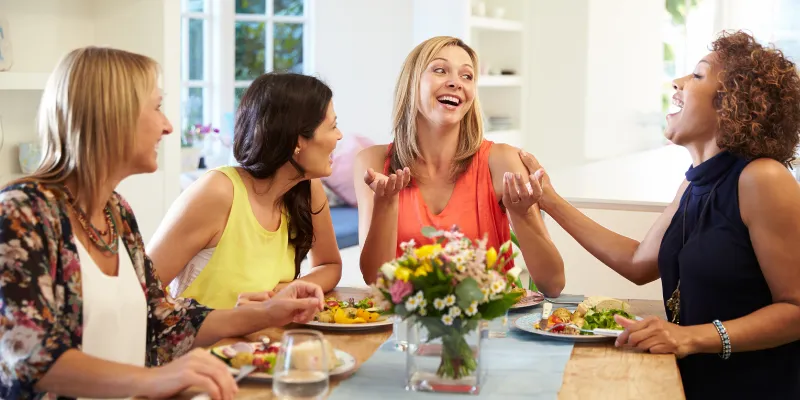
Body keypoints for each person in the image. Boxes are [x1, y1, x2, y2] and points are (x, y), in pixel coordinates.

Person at [0, 46, 325, 400]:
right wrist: (155, 380)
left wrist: (266, 312)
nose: (168, 126)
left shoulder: (116, 213)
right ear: (113, 115)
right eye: (156, 108)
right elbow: (30, 358)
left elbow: (164, 320)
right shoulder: (22, 213)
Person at [518, 30, 800, 398]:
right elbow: (638, 262)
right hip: (691, 381)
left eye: (697, 76)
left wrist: (690, 337)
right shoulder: (692, 185)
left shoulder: (762, 178)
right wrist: (549, 200)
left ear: (732, 104)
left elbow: (795, 308)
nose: (678, 82)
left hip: (754, 387)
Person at [354, 36, 565, 297]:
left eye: (467, 76)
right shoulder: (373, 163)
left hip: (491, 328)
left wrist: (523, 216)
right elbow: (375, 280)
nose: (455, 83)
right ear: (411, 83)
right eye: (440, 70)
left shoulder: (502, 162)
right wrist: (385, 204)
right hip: (407, 328)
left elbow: (553, 284)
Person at [147, 72, 343, 309]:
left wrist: (290, 291)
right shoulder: (218, 193)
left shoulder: (307, 188)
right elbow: (142, 293)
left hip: (263, 343)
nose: (339, 136)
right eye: (332, 127)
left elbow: (330, 265)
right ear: (298, 141)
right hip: (205, 346)